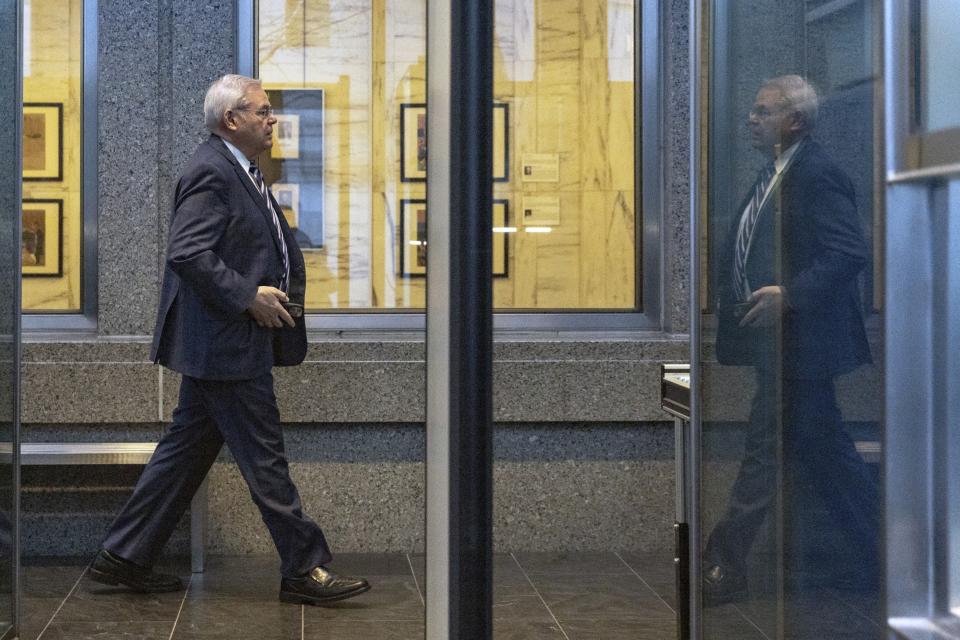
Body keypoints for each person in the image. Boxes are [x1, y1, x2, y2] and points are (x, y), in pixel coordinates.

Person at [89, 74, 370, 606]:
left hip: (220, 343)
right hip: (225, 344)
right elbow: (188, 252)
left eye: (270, 112)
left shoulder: (241, 170)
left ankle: (124, 555)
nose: (272, 120)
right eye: (262, 111)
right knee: (265, 458)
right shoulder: (212, 171)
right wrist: (248, 296)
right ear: (231, 119)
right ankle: (304, 568)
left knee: (186, 450)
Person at [705, 75, 879, 605]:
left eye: (763, 112)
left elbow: (848, 251)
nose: (752, 120)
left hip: (801, 345)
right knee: (828, 454)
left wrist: (790, 295)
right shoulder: (780, 172)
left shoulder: (817, 174)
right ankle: (885, 558)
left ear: (794, 121)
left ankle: (725, 562)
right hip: (781, 344)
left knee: (765, 450)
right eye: (753, 111)